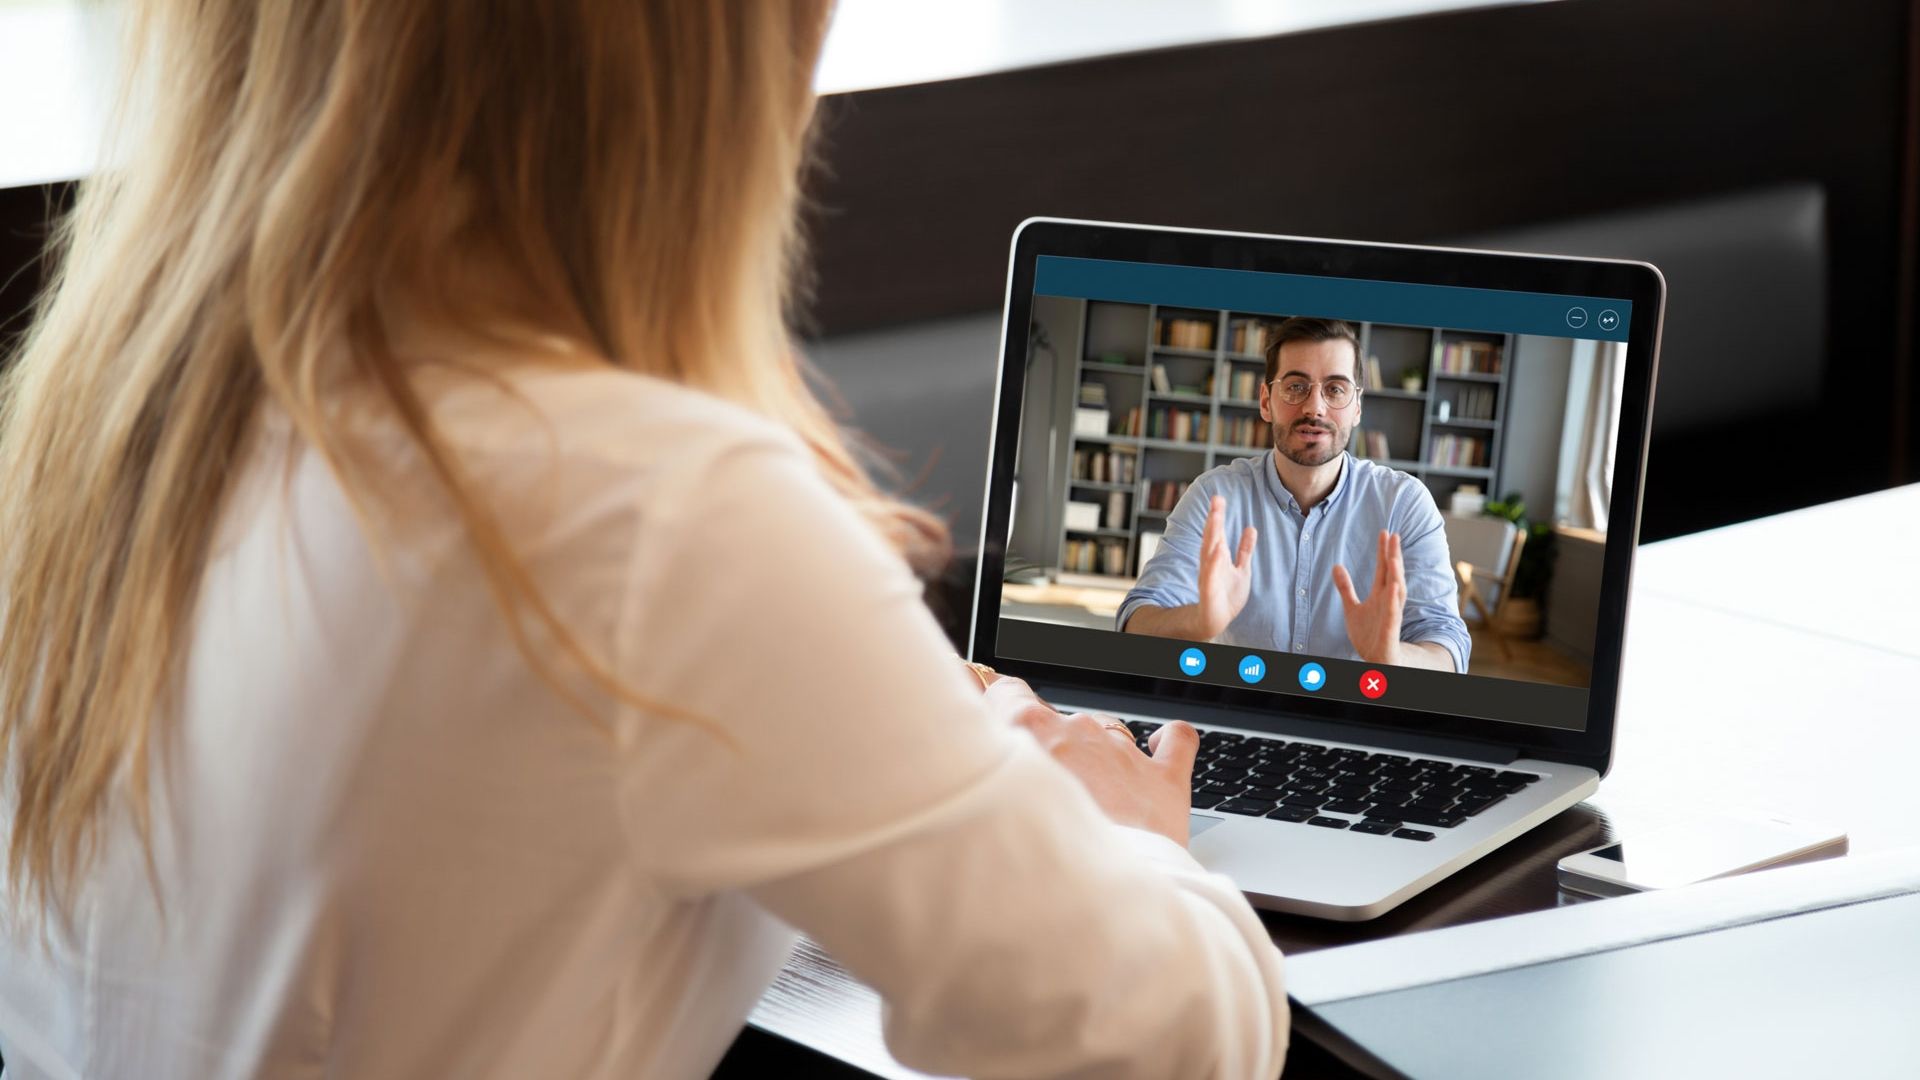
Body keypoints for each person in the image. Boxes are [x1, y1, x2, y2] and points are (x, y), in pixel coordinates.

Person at [0, 2, 1286, 1077]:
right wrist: (1118, 841)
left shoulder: (107, 437)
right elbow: (1162, 1036)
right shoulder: (657, 513)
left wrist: (887, 751)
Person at [1119, 318, 1470, 673]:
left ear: (1357, 407)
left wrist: (1390, 655)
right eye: (1296, 386)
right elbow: (1135, 622)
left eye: (1335, 389)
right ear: (1266, 400)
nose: (1314, 408)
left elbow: (1448, 651)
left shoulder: (1405, 504)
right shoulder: (1214, 496)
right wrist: (1198, 622)